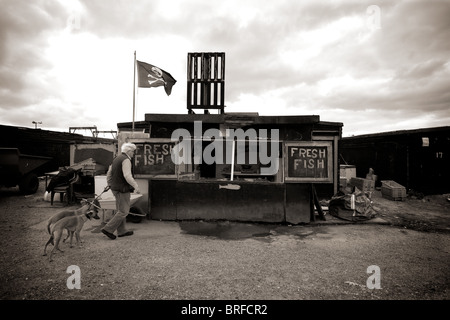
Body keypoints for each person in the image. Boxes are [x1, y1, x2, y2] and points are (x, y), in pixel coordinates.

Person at [101, 142, 141, 240]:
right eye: (133, 151)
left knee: (120, 210)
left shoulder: (117, 159)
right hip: (122, 189)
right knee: (124, 211)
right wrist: (136, 186)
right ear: (129, 151)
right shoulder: (126, 160)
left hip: (115, 188)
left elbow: (109, 173)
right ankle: (108, 229)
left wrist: (110, 184)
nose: (133, 154)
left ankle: (122, 231)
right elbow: (127, 176)